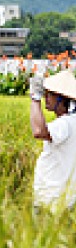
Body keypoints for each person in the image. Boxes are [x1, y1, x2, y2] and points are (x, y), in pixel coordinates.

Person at [29, 71, 76, 211]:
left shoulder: (65, 124)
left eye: (50, 94)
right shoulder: (71, 122)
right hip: (64, 198)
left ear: (62, 99)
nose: (46, 97)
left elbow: (39, 131)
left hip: (52, 199)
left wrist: (35, 99)